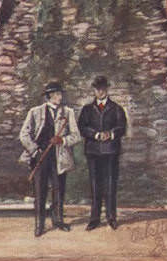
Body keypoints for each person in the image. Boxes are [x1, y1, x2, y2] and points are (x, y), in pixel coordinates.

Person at [19, 82, 81, 237]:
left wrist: (62, 140)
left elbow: (76, 135)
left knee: (59, 190)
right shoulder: (35, 112)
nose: (60, 97)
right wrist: (34, 150)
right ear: (49, 96)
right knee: (40, 192)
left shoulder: (68, 113)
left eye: (60, 94)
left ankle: (58, 220)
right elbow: (24, 134)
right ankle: (39, 224)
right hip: (39, 157)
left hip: (59, 157)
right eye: (57, 94)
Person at [78, 75, 127, 231]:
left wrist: (111, 134)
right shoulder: (87, 109)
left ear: (107, 90)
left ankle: (111, 217)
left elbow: (122, 128)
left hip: (111, 151)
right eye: (97, 89)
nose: (100, 91)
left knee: (111, 184)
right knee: (95, 185)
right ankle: (94, 218)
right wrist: (96, 135)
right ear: (94, 90)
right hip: (93, 152)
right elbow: (82, 128)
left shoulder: (117, 108)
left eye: (102, 89)